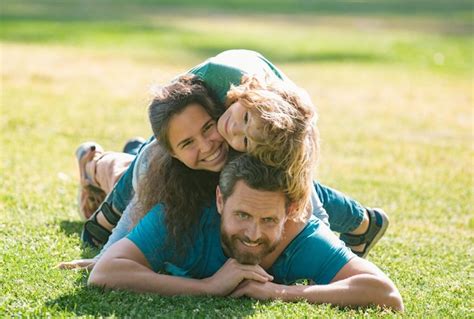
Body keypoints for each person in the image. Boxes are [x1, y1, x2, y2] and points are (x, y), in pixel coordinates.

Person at [77, 50, 388, 257]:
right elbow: (169, 127)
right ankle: (103, 194)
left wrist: (332, 251)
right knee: (158, 149)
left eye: (245, 140)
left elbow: (303, 191)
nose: (230, 131)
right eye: (243, 121)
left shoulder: (269, 139)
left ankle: (362, 222)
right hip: (209, 101)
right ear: (243, 97)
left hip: (286, 127)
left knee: (272, 183)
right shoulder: (216, 81)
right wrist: (113, 248)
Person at [88, 154, 403, 311]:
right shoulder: (181, 216)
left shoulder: (301, 237)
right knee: (119, 174)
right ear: (220, 200)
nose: (254, 233)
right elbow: (104, 273)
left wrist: (279, 292)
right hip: (142, 179)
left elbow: (385, 293)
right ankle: (93, 161)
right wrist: (209, 287)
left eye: (268, 219)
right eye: (242, 215)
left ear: (289, 212)